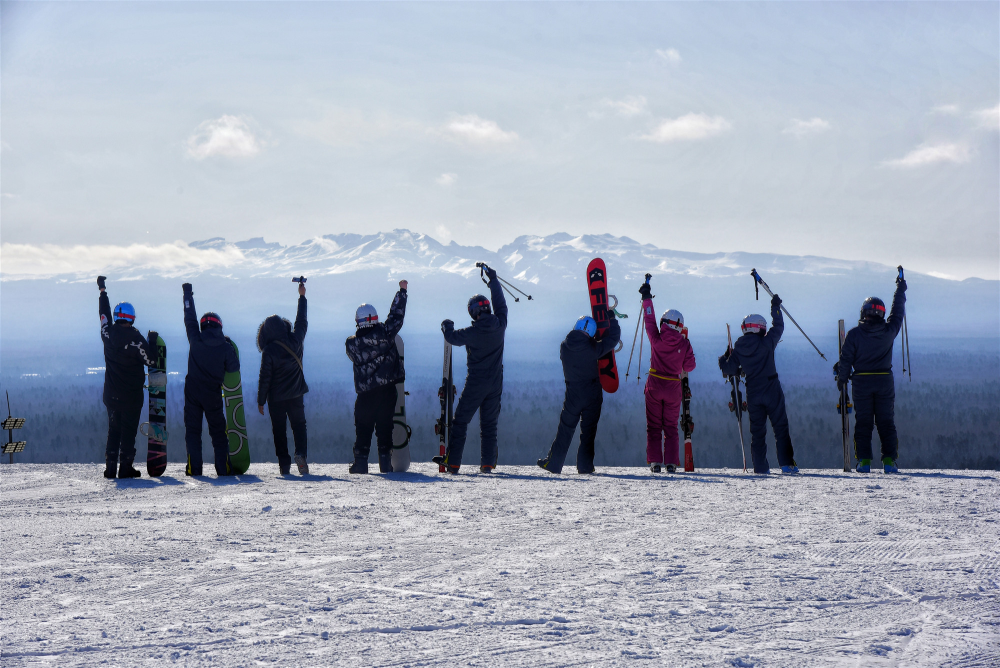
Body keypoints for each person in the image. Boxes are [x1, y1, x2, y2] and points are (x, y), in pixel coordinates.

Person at [435, 264, 508, 474]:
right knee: (489, 425)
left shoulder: (472, 332)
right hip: (496, 383)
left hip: (476, 382)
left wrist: (447, 326)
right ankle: (487, 464)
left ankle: (454, 462)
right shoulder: (500, 324)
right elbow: (501, 304)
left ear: (474, 312)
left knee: (461, 421)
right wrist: (493, 280)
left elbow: (451, 337)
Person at [718, 294, 799, 474]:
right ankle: (787, 465)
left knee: (757, 433)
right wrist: (775, 307)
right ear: (760, 328)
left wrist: (725, 356)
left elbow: (729, 369)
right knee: (780, 428)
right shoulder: (767, 342)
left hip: (753, 392)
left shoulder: (739, 347)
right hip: (771, 388)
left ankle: (760, 468)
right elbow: (779, 326)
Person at [835, 275, 907, 474]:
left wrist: (841, 380)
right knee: (886, 422)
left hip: (861, 382)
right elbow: (897, 312)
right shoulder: (889, 331)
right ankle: (889, 462)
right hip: (884, 380)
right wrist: (900, 291)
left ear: (864, 313)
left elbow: (845, 361)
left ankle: (864, 462)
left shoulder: (854, 335)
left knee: (864, 422)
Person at [538, 311, 620, 475]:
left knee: (565, 429)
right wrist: (612, 321)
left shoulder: (564, 346)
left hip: (573, 393)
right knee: (588, 432)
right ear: (591, 332)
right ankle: (585, 466)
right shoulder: (593, 349)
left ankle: (554, 463)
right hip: (592, 393)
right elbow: (612, 340)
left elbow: (582, 348)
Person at [97, 276, 157, 479]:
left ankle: (110, 467)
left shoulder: (107, 335)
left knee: (113, 429)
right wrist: (153, 342)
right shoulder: (136, 340)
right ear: (132, 318)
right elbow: (151, 361)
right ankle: (126, 468)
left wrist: (103, 291)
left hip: (111, 394)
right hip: (131, 397)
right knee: (128, 431)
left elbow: (103, 315)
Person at [345, 280, 408, 474]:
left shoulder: (351, 344)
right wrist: (402, 292)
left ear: (358, 321)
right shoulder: (386, 334)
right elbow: (396, 316)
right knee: (385, 427)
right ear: (375, 318)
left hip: (365, 394)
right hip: (387, 391)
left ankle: (361, 464)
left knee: (363, 428)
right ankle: (385, 464)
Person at [181, 283, 240, 477]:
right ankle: (223, 469)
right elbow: (234, 367)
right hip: (212, 393)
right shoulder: (224, 347)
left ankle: (194, 469)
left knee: (193, 431)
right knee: (217, 433)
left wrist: (187, 294)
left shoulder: (195, 339)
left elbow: (189, 318)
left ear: (203, 325)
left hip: (192, 391)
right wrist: (229, 346)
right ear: (219, 326)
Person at [639, 281, 696, 473]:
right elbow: (690, 366)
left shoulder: (656, 338)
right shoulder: (685, 344)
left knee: (653, 426)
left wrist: (647, 298)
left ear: (664, 323)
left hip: (654, 384)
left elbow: (649, 320)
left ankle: (655, 463)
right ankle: (671, 463)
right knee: (670, 427)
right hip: (673, 387)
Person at [257, 280, 309, 475]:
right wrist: (302, 296)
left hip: (276, 399)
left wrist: (261, 400)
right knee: (299, 426)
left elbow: (265, 378)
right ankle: (301, 454)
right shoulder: (296, 341)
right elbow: (301, 321)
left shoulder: (268, 351)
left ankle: (284, 465)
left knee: (279, 431)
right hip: (296, 394)